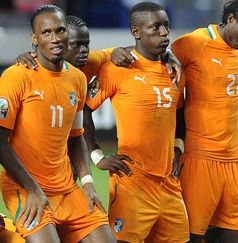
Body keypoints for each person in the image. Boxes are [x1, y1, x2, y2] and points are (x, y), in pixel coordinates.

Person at [0, 5, 116, 243]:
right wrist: (32, 188)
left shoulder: (77, 79)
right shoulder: (16, 76)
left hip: (67, 189)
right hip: (25, 187)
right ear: (34, 38)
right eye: (46, 32)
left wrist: (87, 183)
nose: (55, 38)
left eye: (60, 30)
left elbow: (76, 138)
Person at [14, 14, 182, 177]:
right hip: (36, 147)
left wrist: (167, 53)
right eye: (77, 45)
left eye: (86, 44)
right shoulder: (32, 71)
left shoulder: (90, 61)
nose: (84, 51)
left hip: (66, 140)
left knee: (71, 179)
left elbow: (138, 50)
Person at [84, 2, 189, 242]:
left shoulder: (175, 71)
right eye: (155, 27)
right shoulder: (117, 69)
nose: (164, 34)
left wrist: (178, 148)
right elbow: (84, 111)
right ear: (136, 32)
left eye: (166, 27)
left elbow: (180, 112)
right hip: (133, 183)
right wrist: (98, 156)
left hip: (169, 184)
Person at [171, 0, 238, 242]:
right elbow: (158, 60)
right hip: (201, 160)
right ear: (231, 19)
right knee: (190, 237)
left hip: (234, 163)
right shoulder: (194, 43)